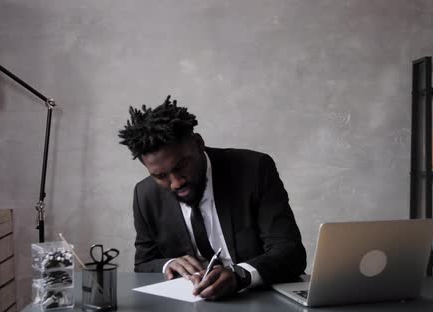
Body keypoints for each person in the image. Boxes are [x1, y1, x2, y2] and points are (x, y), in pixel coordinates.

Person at [118, 96, 306, 300]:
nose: (175, 183)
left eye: (180, 167)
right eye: (160, 176)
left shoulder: (253, 169)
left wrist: (240, 275)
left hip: (260, 303)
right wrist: (168, 264)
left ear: (199, 144)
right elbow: (144, 263)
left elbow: (290, 252)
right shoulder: (145, 195)